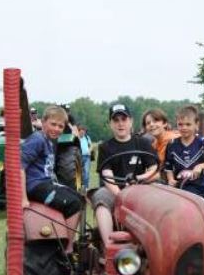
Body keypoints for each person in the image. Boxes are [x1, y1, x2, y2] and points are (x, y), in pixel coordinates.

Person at [92, 104, 158, 248]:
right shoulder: (105, 147)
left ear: (131, 121)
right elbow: (106, 174)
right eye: (116, 120)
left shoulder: (142, 143)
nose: (120, 123)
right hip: (114, 189)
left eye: (124, 119)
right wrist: (120, 195)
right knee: (100, 198)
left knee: (159, 196)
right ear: (110, 123)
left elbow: (154, 168)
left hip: (141, 188)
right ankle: (109, 246)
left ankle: (154, 245)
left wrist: (141, 178)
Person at [21, 105, 82, 238]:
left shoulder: (48, 142)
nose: (56, 129)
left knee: (79, 197)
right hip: (35, 186)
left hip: (45, 183)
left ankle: (65, 235)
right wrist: (23, 199)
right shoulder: (37, 139)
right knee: (74, 204)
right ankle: (68, 247)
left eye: (60, 126)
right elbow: (20, 166)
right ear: (43, 122)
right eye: (53, 124)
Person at [164, 105, 204, 198]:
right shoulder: (172, 144)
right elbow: (168, 167)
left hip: (198, 188)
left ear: (196, 124)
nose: (184, 127)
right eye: (180, 124)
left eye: (188, 124)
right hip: (178, 188)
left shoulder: (202, 143)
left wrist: (200, 166)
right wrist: (170, 179)